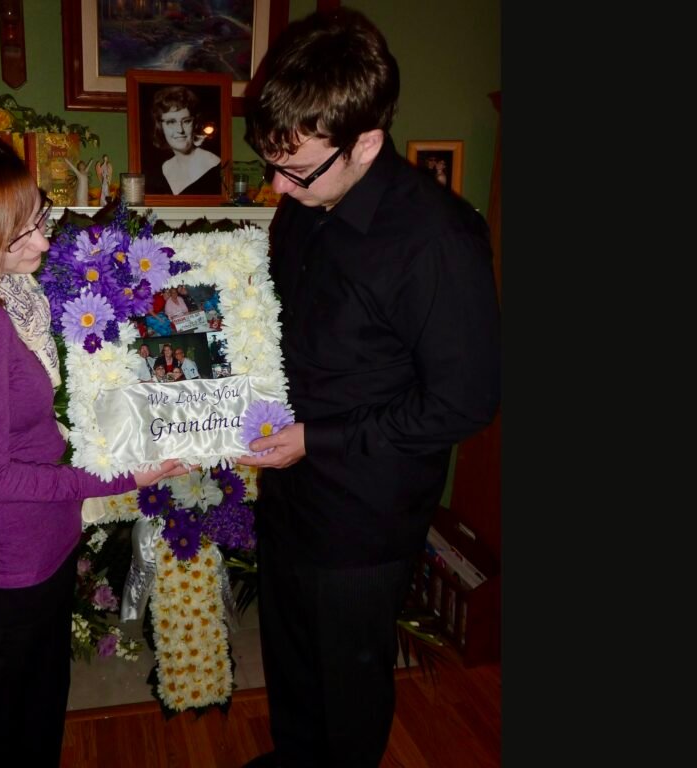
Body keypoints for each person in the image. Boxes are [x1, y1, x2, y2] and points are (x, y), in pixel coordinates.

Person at [236, 9, 500, 768]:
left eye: (295, 170)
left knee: (347, 685)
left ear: (367, 143)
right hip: (291, 488)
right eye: (271, 163)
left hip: (363, 513)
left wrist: (316, 440)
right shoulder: (304, 206)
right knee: (290, 656)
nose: (277, 187)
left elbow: (465, 401)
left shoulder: (437, 240)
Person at [0, 118, 190, 768]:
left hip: (31, 553)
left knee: (35, 723)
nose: (43, 239)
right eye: (19, 232)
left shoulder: (0, 293)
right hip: (3, 570)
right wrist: (124, 477)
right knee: (16, 742)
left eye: (38, 216)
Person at [147, 85, 222, 196]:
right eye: (171, 122)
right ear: (160, 126)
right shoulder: (165, 168)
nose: (180, 130)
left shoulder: (213, 164)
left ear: (195, 123)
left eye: (186, 121)